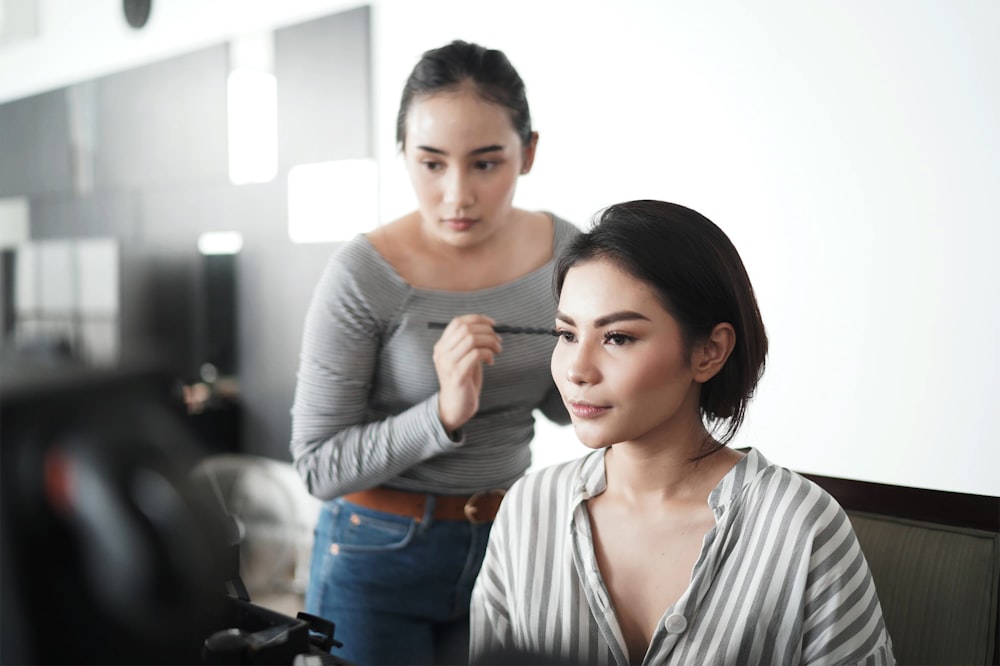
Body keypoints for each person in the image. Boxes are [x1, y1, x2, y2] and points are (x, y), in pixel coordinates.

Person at [469, 200, 895, 665]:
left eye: (618, 338)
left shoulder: (800, 527)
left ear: (710, 351)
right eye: (566, 335)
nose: (577, 369)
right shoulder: (529, 510)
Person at [289, 40, 578, 665]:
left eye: (485, 163)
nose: (456, 196)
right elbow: (317, 466)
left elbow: (566, 405)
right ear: (403, 156)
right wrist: (442, 415)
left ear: (528, 153)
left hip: (510, 545)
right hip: (374, 557)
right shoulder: (364, 275)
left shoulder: (567, 254)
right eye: (431, 163)